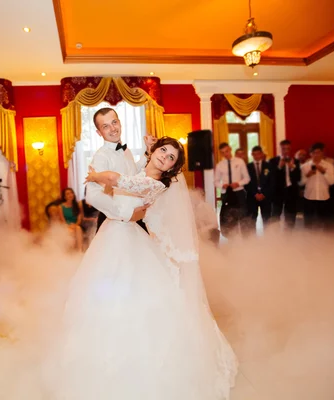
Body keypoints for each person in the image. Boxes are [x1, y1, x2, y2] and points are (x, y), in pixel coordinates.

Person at [45, 137, 237, 400]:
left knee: (132, 298)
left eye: (171, 158)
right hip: (115, 234)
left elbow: (115, 179)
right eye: (163, 151)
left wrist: (95, 176)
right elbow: (130, 179)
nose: (165, 157)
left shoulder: (154, 183)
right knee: (101, 296)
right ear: (154, 151)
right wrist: (148, 151)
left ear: (172, 168)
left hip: (126, 237)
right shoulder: (144, 170)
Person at [84, 107, 155, 233]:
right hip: (114, 220)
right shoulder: (101, 157)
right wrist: (127, 214)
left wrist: (147, 153)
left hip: (134, 216)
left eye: (114, 122)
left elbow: (133, 175)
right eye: (105, 126)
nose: (113, 129)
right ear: (99, 132)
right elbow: (92, 196)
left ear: (120, 122)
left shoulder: (126, 150)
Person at [214, 143, 250, 238]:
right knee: (227, 217)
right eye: (223, 153)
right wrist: (222, 185)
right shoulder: (220, 165)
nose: (225, 154)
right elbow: (216, 182)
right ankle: (231, 239)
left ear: (230, 149)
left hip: (239, 192)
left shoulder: (240, 162)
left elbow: (247, 178)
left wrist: (238, 183)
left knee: (242, 215)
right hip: (226, 194)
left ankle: (245, 239)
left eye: (226, 151)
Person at [300, 143, 334, 229]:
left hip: (324, 197)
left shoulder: (329, 166)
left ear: (322, 153)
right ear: (310, 154)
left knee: (326, 224)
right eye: (314, 153)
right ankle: (309, 240)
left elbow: (332, 182)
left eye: (318, 152)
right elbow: (301, 183)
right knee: (309, 224)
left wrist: (323, 172)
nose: (316, 155)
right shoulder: (304, 166)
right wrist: (308, 175)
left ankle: (325, 241)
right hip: (309, 197)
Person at [269, 139, 301, 228]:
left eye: (288, 149)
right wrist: (279, 167)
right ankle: (274, 236)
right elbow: (271, 178)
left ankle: (288, 237)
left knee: (290, 216)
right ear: (280, 149)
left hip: (291, 192)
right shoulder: (273, 161)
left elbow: (299, 178)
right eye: (284, 149)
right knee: (275, 215)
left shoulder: (296, 162)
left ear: (290, 149)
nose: (286, 151)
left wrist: (292, 168)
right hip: (277, 192)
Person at [245, 145, 275, 234]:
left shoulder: (269, 166)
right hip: (252, 197)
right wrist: (255, 194)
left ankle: (268, 238)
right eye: (254, 154)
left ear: (262, 154)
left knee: (267, 218)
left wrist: (264, 194)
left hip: (265, 197)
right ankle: (252, 239)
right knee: (252, 219)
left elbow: (272, 182)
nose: (257, 156)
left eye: (258, 154)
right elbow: (246, 183)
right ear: (252, 155)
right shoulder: (247, 166)